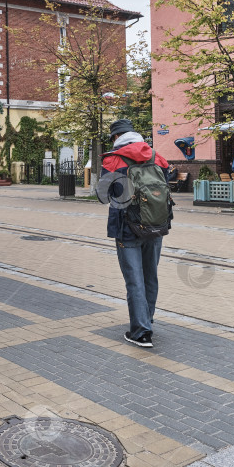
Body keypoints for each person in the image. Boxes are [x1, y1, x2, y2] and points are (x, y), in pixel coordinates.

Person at [100, 119, 171, 348]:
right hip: (155, 226)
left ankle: (141, 331)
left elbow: (102, 195)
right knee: (151, 276)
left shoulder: (113, 160)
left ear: (115, 138)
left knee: (134, 281)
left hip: (127, 228)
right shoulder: (156, 156)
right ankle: (147, 320)